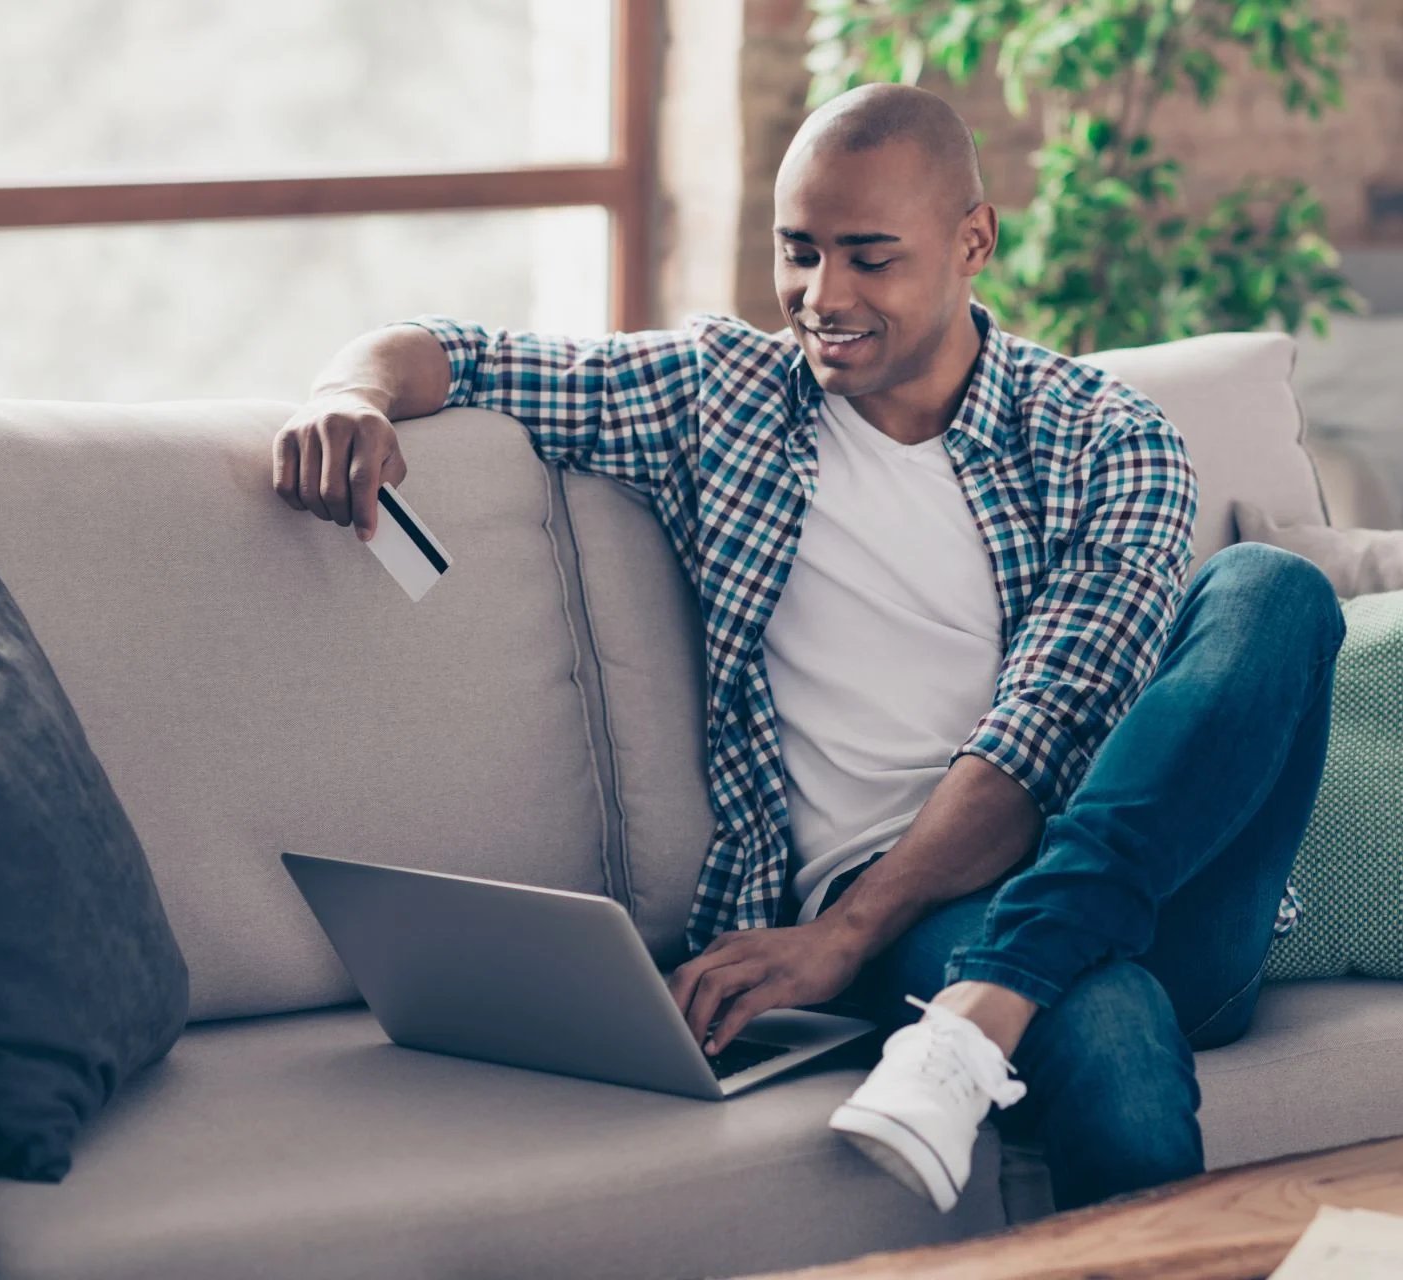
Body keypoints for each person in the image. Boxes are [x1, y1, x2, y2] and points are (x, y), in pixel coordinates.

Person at [272, 82, 1346, 1216]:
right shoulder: (723, 400)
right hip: (935, 919)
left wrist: (839, 940)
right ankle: (993, 1002)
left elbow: (1045, 737)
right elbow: (462, 353)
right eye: (799, 252)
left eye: (869, 257)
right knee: (1108, 1028)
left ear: (973, 239)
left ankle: (983, 1008)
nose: (821, 297)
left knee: (1272, 590)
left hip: (1162, 891)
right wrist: (350, 395)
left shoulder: (1103, 438)